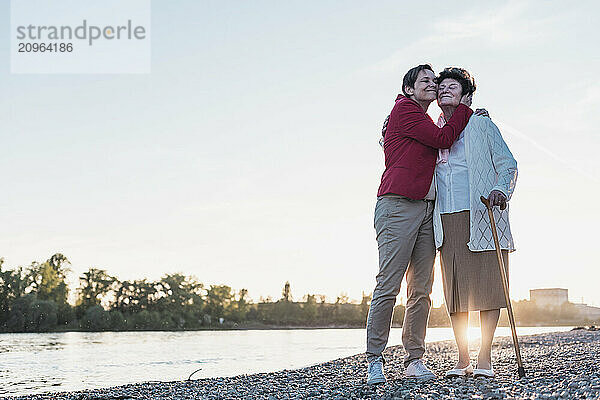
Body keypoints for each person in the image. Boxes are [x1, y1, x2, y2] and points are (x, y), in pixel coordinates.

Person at [366, 64, 476, 385]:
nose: (432, 84)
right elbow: (443, 138)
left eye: (434, 80)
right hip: (397, 205)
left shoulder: (424, 118)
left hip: (427, 210)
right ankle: (375, 359)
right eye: (425, 80)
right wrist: (464, 111)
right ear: (410, 89)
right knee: (389, 284)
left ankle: (414, 359)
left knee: (422, 289)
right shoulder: (405, 110)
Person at [432, 67, 518, 379]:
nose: (444, 91)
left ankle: (485, 358)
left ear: (467, 96)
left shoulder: (481, 124)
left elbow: (508, 164)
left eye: (452, 87)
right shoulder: (434, 131)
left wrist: (500, 190)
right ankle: (462, 358)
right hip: (447, 217)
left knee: (488, 287)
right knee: (456, 292)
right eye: (441, 87)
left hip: (482, 214)